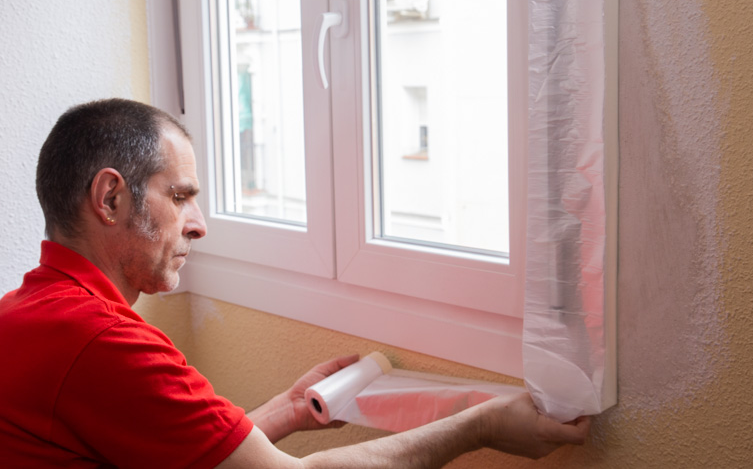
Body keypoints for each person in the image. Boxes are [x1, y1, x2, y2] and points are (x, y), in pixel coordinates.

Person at [0, 98, 590, 468]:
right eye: (180, 197)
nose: (199, 225)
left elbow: (194, 452)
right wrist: (479, 424)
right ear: (110, 197)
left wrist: (288, 409)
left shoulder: (27, 316)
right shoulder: (102, 343)